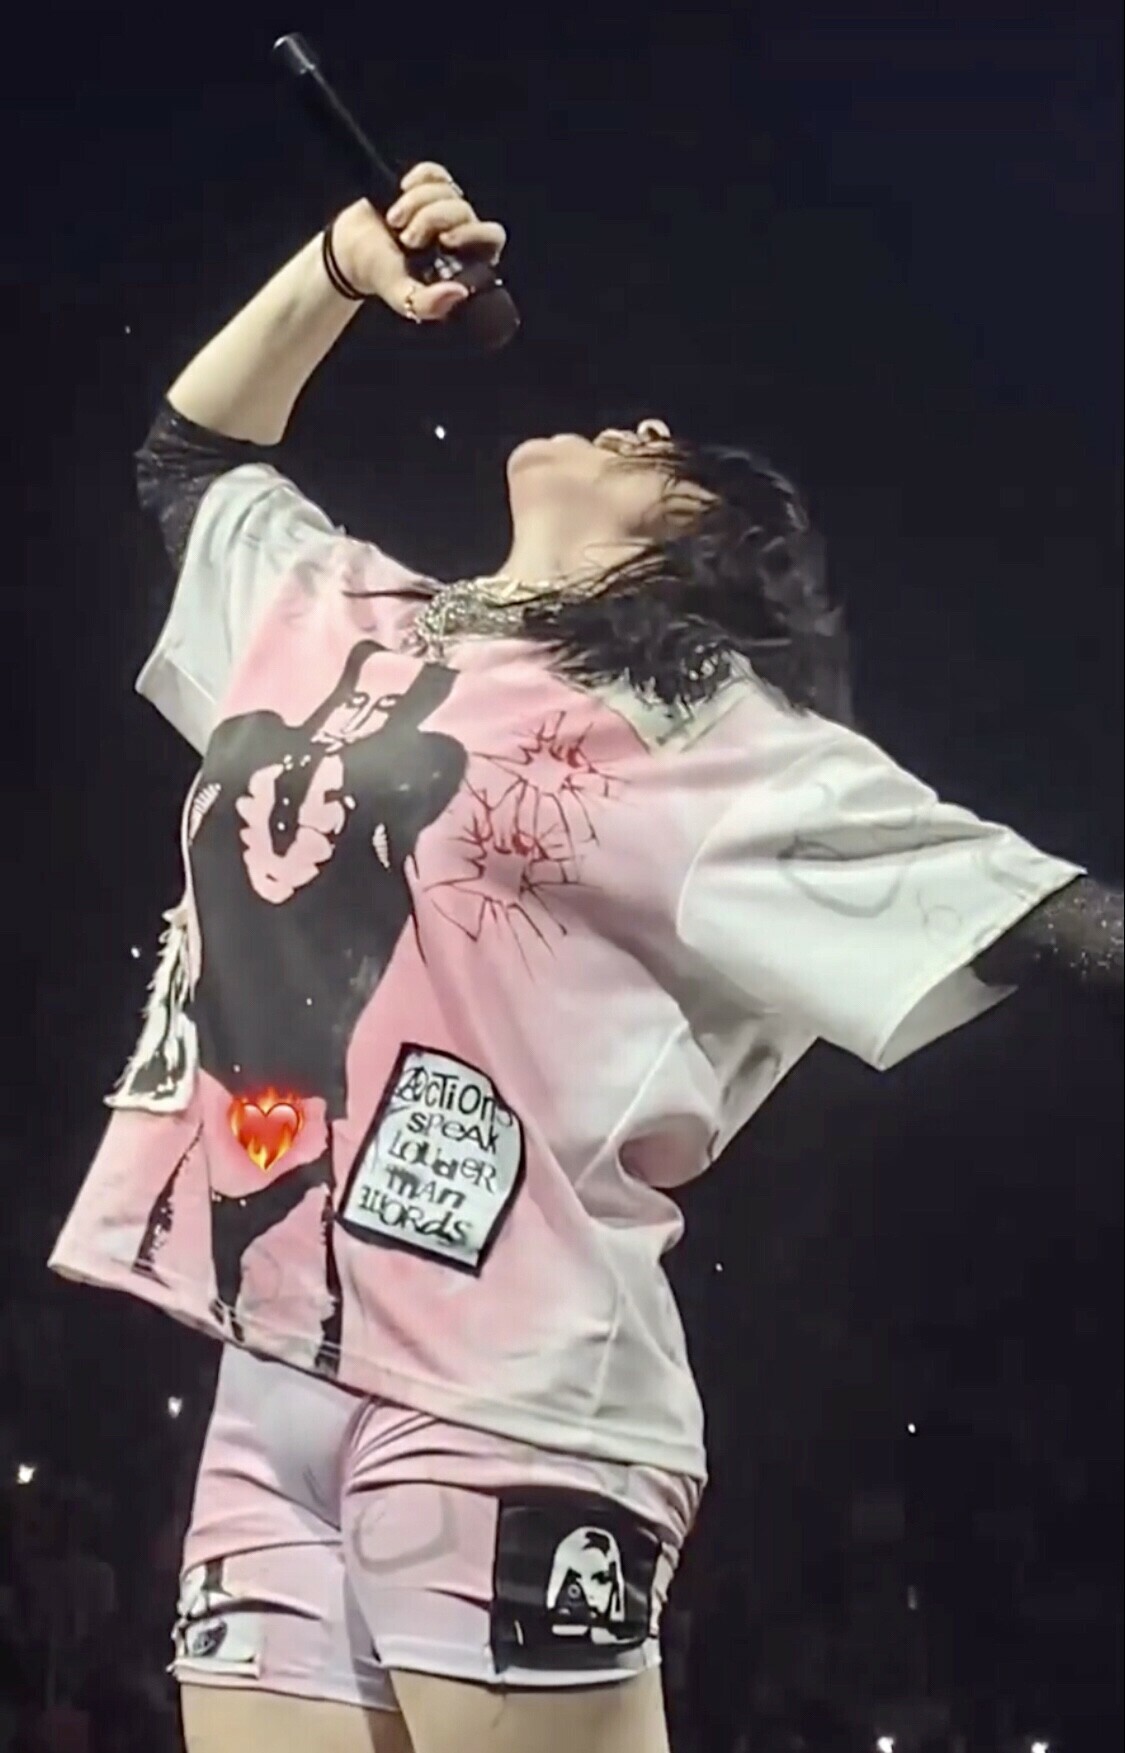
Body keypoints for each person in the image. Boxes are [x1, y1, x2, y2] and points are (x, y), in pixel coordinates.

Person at [49, 163, 1121, 1753]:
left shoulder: (700, 730)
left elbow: (1061, 923)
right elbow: (188, 457)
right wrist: (340, 267)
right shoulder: (342, 611)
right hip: (273, 1374)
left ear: (695, 551)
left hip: (514, 1389)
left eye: (672, 456)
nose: (638, 421)